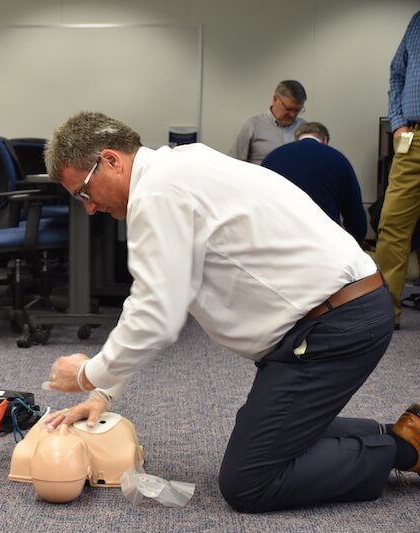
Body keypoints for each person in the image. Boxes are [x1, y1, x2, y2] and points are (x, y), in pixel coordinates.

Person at [41, 111, 419, 513]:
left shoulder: (157, 194)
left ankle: (402, 450)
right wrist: (103, 393)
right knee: (266, 438)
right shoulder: (178, 168)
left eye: (84, 191)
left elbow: (153, 314)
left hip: (335, 325)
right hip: (332, 317)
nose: (90, 207)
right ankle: (402, 433)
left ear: (112, 160)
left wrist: (86, 375)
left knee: (249, 482)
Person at [374, 10, 420, 330]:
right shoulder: (417, 22)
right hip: (413, 140)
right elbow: (397, 74)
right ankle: (384, 314)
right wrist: (399, 124)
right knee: (391, 223)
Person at [261, 121, 367, 244]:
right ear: (325, 140)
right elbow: (354, 214)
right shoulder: (338, 159)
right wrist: (357, 239)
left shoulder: (272, 157)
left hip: (278, 238)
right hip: (323, 242)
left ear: (296, 139)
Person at [229, 80, 307, 165]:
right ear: (275, 99)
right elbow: (234, 164)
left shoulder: (304, 128)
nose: (292, 114)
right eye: (288, 109)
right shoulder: (251, 125)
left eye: (297, 110)